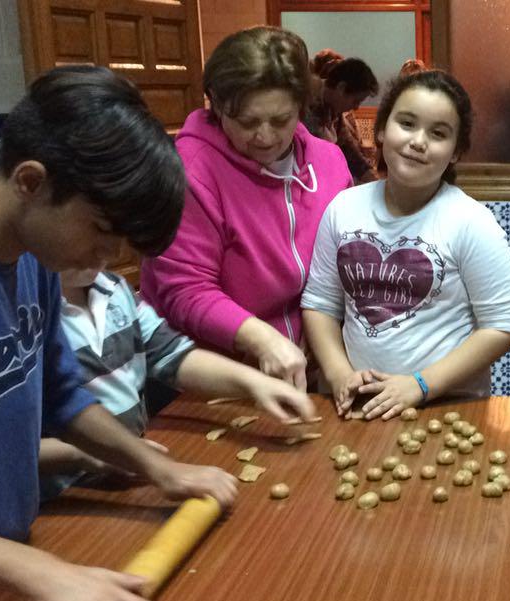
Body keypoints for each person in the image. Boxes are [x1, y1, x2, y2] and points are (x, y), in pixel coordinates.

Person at [0, 65, 237, 601]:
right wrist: (40, 575)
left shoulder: (33, 259)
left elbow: (62, 397)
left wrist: (157, 466)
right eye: (101, 231)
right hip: (4, 571)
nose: (108, 258)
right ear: (32, 182)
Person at [140, 26, 353, 392]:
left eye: (281, 120)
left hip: (309, 367)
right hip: (211, 376)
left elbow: (345, 264)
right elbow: (185, 290)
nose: (265, 136)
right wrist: (264, 339)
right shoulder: (192, 170)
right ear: (217, 105)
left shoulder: (329, 161)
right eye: (247, 122)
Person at [302, 69, 510, 419]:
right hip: (356, 408)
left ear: (455, 152)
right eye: (406, 123)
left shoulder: (470, 221)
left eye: (438, 133)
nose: (419, 141)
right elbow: (320, 304)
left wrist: (420, 385)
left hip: (448, 408)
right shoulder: (342, 208)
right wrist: (339, 374)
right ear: (380, 130)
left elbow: (503, 325)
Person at [39, 267, 318, 496]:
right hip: (65, 496)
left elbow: (172, 355)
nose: (108, 251)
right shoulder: (29, 310)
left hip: (133, 478)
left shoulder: (114, 288)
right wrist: (86, 453)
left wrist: (254, 382)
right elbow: (7, 450)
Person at [306, 49, 379, 185]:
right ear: (341, 88)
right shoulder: (308, 105)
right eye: (355, 101)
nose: (356, 107)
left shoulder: (333, 108)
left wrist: (369, 175)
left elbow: (347, 147)